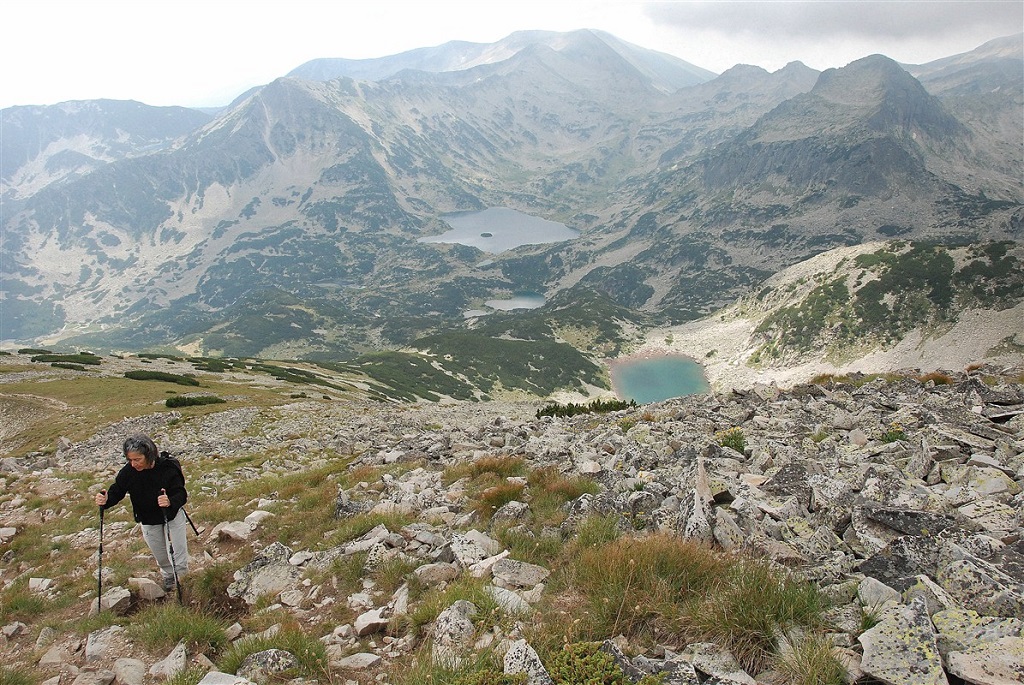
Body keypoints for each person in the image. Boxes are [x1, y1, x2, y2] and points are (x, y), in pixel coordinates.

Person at [95, 434, 189, 591]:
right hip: (148, 519)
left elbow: (181, 493)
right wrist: (105, 500)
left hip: (171, 516)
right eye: (130, 460)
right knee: (161, 556)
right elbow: (117, 491)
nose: (133, 464)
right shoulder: (128, 472)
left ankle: (183, 583)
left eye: (137, 459)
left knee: (178, 556)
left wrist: (170, 501)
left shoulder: (168, 468)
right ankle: (168, 577)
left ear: (149, 454)